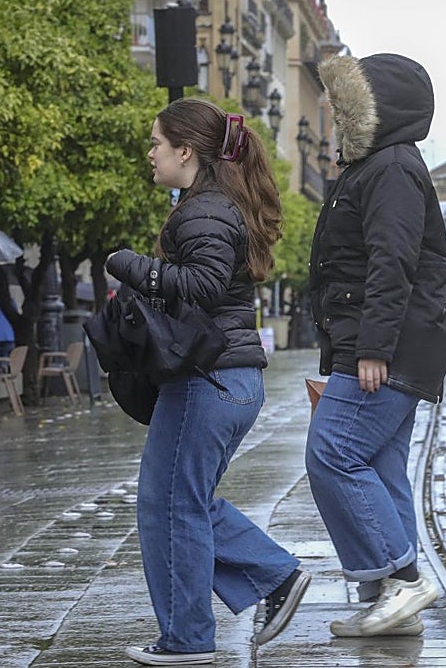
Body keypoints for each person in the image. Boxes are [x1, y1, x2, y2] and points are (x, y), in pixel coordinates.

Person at [106, 98, 308, 665]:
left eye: (157, 143)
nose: (150, 153)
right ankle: (272, 582)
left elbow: (202, 285)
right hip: (223, 380)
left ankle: (193, 635)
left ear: (186, 151)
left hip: (209, 380)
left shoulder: (204, 211)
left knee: (169, 503)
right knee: (178, 501)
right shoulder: (213, 207)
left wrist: (129, 264)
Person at [305, 53, 446, 638]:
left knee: (332, 452)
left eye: (344, 106)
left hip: (386, 345)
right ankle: (392, 601)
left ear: (372, 110)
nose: (333, 115)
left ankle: (404, 582)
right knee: (379, 463)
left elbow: (392, 263)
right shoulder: (377, 167)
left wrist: (372, 348)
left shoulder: (391, 169)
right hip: (387, 340)